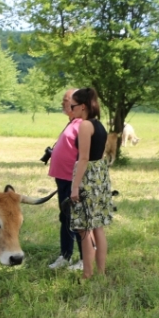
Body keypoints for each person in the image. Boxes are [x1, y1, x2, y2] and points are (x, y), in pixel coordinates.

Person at [68, 88, 114, 279]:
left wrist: (75, 186)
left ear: (83, 106)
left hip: (87, 178)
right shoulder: (99, 125)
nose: (71, 110)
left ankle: (87, 273)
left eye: (73, 106)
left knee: (84, 228)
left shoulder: (85, 125)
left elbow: (84, 157)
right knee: (98, 227)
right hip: (100, 176)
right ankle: (101, 272)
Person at [47, 89, 84, 269]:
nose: (63, 102)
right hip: (62, 177)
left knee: (77, 218)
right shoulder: (72, 123)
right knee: (65, 217)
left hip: (72, 178)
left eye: (67, 100)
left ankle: (85, 259)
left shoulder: (82, 125)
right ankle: (66, 255)